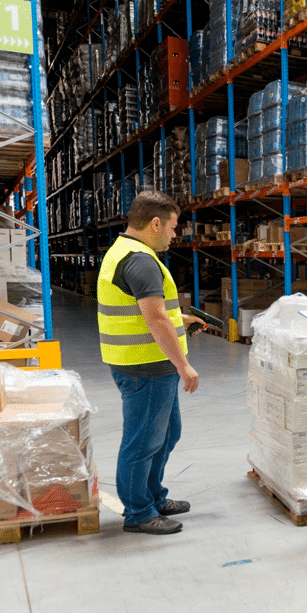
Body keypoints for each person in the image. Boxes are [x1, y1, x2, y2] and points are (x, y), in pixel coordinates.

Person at [97, 191, 205, 535]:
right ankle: (139, 512)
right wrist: (183, 365)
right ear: (155, 223)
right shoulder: (140, 260)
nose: (175, 234)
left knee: (167, 434)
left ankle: (154, 496)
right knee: (143, 441)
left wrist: (180, 319)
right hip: (144, 367)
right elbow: (155, 319)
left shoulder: (125, 251)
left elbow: (149, 311)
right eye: (172, 227)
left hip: (149, 364)